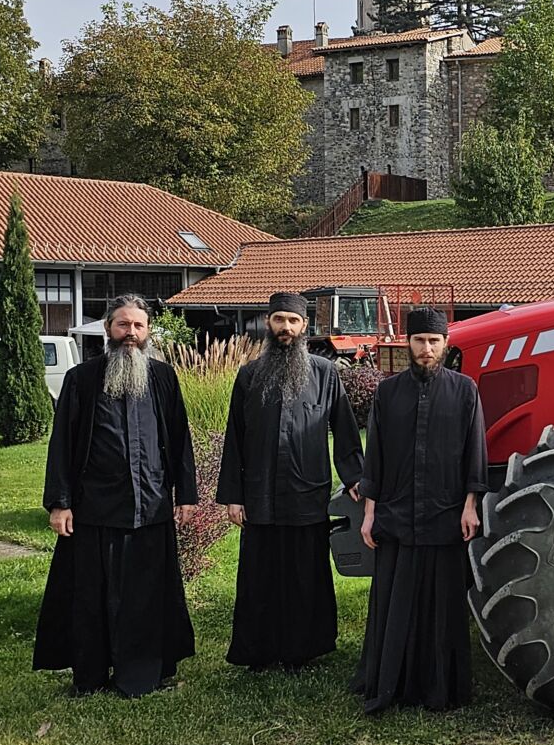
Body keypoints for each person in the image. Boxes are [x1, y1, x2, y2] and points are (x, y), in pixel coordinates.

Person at [35, 294, 199, 697]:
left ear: (148, 332)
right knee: (93, 598)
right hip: (96, 511)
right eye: (123, 325)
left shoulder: (162, 377)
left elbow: (179, 440)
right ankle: (91, 675)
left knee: (146, 598)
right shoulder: (82, 379)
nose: (131, 333)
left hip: (151, 508)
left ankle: (141, 676)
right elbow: (62, 446)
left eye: (138, 326)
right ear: (108, 329)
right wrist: (60, 502)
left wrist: (187, 496)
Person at [350, 309, 488, 713]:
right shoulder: (388, 393)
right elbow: (375, 456)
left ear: (445, 345)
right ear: (407, 344)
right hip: (396, 513)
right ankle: (390, 682)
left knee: (441, 603)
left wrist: (470, 507)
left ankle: (439, 686)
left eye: (434, 341)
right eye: (419, 341)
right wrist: (371, 513)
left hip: (446, 513)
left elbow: (474, 453)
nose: (426, 349)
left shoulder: (465, 391)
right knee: (395, 600)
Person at [218, 291, 364, 669]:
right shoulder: (249, 374)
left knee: (305, 573)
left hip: (306, 491)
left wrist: (355, 478)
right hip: (260, 493)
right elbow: (235, 437)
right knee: (259, 574)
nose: (286, 327)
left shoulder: (325, 372)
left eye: (293, 321)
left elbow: (345, 430)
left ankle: (305, 650)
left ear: (304, 327)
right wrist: (234, 496)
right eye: (279, 319)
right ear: (269, 323)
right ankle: (259, 651)